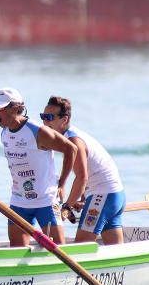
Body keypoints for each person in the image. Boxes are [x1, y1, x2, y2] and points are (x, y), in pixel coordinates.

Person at [0, 87, 79, 247]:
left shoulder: (38, 132)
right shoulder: (4, 133)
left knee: (59, 250)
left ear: (16, 109)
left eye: (0, 108)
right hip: (19, 201)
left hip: (46, 201)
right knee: (16, 251)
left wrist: (62, 184)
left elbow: (71, 149)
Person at [41, 96, 126, 245]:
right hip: (114, 195)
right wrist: (83, 198)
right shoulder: (70, 136)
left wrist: (67, 206)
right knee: (115, 250)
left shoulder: (74, 141)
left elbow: (81, 177)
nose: (45, 122)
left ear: (64, 119)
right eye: (43, 117)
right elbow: (89, 174)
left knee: (81, 248)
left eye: (49, 117)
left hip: (102, 196)